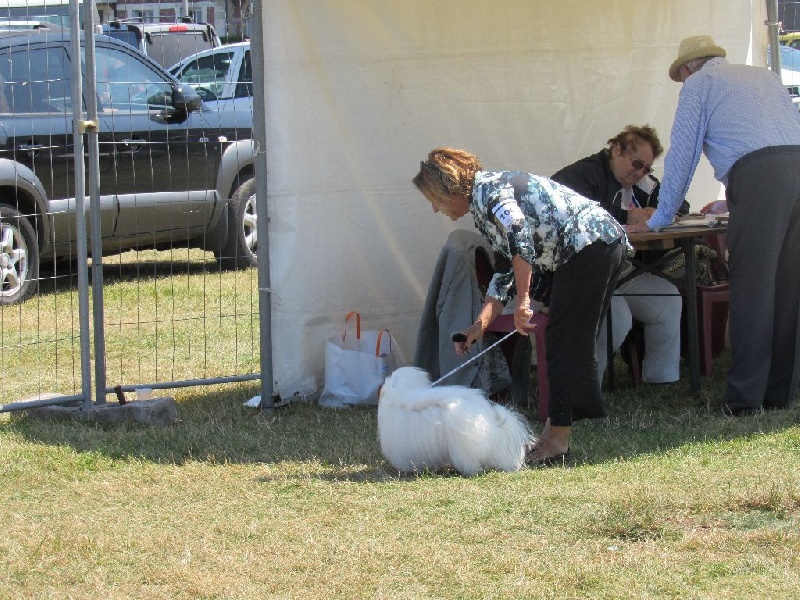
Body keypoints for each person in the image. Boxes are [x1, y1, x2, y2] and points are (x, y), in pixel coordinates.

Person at [412, 148, 630, 465]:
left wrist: (525, 300)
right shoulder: (482, 204)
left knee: (564, 340)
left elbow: (520, 237)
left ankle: (558, 442)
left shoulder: (488, 193)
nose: (434, 209)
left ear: (450, 187)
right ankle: (553, 435)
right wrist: (480, 326)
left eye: (434, 198)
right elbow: (504, 273)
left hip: (593, 243)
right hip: (593, 246)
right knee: (564, 339)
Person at [626, 35, 800, 415]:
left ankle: (744, 400)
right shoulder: (764, 76)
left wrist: (659, 219)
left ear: (688, 69)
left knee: (754, 288)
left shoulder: (699, 86)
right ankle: (781, 393)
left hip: (758, 176)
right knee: (790, 287)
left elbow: (682, 158)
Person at [550, 125, 687, 384]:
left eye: (646, 168)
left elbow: (680, 203)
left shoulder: (640, 182)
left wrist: (658, 211)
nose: (639, 172)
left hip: (619, 269)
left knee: (667, 297)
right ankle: (584, 387)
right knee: (618, 315)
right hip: (580, 273)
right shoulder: (584, 174)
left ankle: (661, 381)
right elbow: (572, 217)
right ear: (616, 150)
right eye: (636, 164)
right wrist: (626, 216)